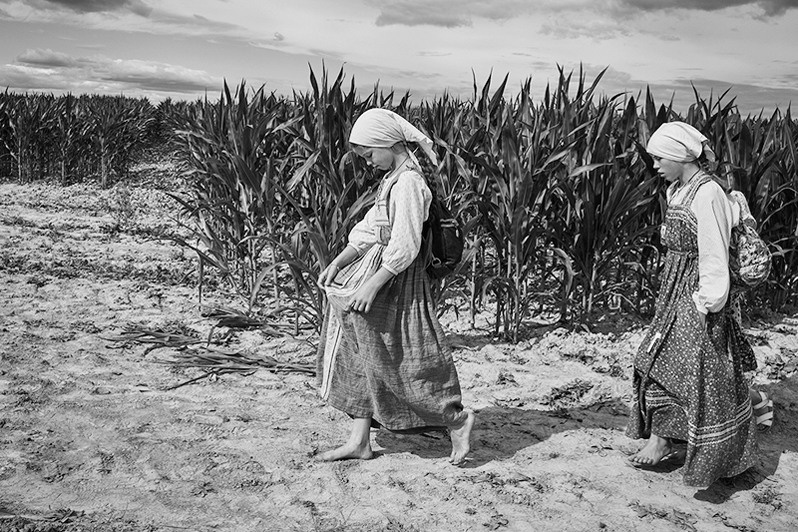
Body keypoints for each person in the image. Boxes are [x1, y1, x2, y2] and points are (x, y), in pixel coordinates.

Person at [315, 108, 475, 464]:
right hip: (381, 270)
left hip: (397, 280)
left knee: (404, 357)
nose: (369, 162)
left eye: (370, 154)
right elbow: (371, 228)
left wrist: (372, 285)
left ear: (389, 144)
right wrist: (340, 261)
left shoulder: (410, 183)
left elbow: (405, 245)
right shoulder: (392, 180)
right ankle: (360, 440)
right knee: (358, 349)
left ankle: (457, 420)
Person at [626, 121, 759, 487]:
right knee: (658, 359)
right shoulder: (678, 189)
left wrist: (708, 301)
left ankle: (668, 440)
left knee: (694, 366)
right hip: (675, 287)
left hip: (698, 291)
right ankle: (666, 436)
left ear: (679, 155)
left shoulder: (707, 194)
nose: (654, 165)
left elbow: (714, 250)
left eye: (658, 157)